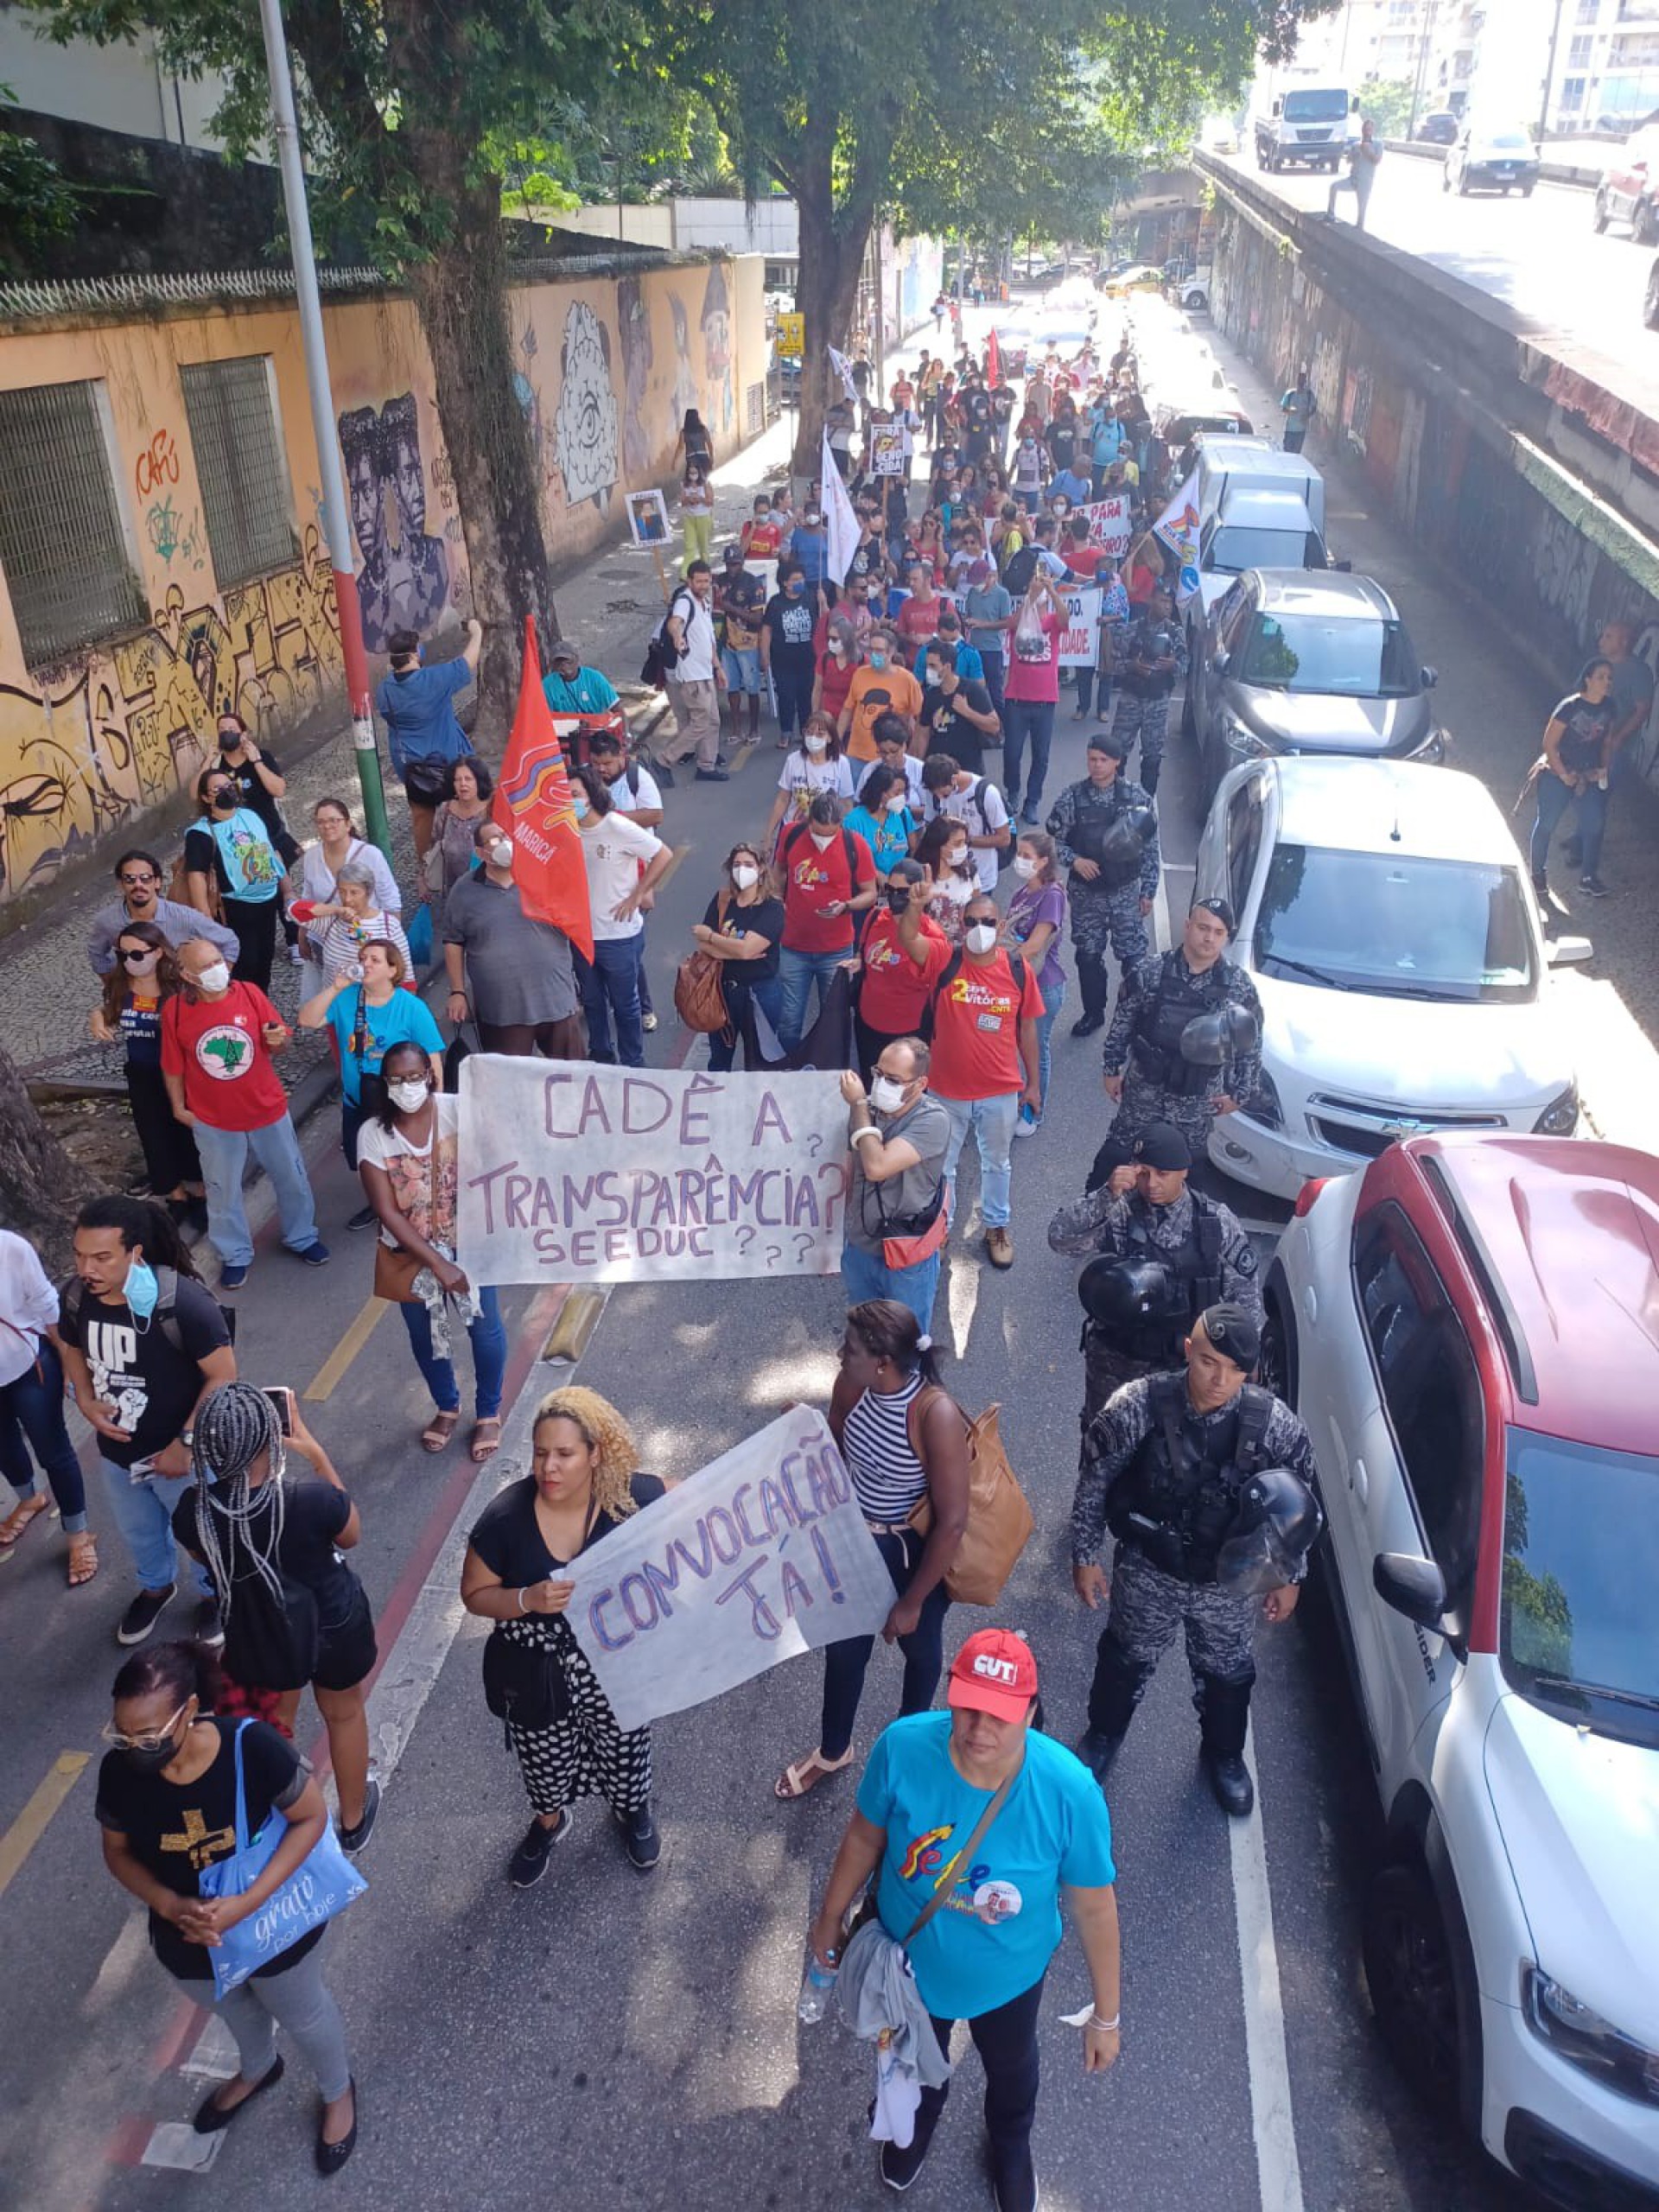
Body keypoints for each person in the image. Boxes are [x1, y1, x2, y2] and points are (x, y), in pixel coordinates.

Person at [807, 1628, 1121, 2209]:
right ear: (951, 1695)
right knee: (914, 2053)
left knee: (1011, 2065)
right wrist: (828, 1918)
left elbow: (1095, 1908)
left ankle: (1009, 2142)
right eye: (968, 1708)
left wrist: (1107, 2015)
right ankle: (918, 2118)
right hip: (909, 1963)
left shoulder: (1069, 1792)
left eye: (999, 1715)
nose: (980, 1729)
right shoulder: (902, 1747)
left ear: (1030, 1712)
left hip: (1009, 1979)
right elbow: (864, 1836)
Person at [95, 1640, 359, 2170]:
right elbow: (118, 1852)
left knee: (303, 2012)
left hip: (273, 1925)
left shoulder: (251, 1747)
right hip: (188, 1939)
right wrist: (168, 1904)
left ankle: (338, 2092)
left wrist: (246, 1904)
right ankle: (259, 2067)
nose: (133, 1748)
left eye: (148, 1735)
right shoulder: (120, 1772)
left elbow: (310, 1819)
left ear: (189, 1712)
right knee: (233, 2008)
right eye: (122, 1735)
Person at [1071, 1304, 1319, 1815]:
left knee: (1227, 1677)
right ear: (1189, 1349)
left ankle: (1225, 1756)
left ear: (1248, 1372)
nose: (1218, 1379)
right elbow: (1094, 1481)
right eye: (1208, 1362)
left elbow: (1300, 1504)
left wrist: (1290, 1576)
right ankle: (1103, 1736)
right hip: (1149, 1571)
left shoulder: (1274, 1425)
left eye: (1232, 1369)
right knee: (1124, 1659)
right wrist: (1085, 1554)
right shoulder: (1138, 1404)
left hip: (1228, 1582)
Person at [461, 1387, 666, 1886]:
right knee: (542, 1751)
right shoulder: (505, 1520)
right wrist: (524, 1600)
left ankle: (631, 1810)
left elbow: (704, 1501)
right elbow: (474, 1593)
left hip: (614, 1661)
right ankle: (549, 1820)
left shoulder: (626, 1497)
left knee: (625, 1743)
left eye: (564, 1454)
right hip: (535, 1670)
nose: (548, 1467)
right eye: (540, 1453)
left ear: (595, 1455)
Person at [173, 1382, 380, 1852]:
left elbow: (206, 1560)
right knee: (344, 1714)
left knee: (271, 1726)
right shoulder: (308, 1500)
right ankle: (352, 1820)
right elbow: (351, 1534)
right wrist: (315, 1452)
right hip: (333, 1625)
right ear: (272, 1437)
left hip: (259, 1630)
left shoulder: (195, 1512)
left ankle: (279, 1817)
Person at [775, 1302, 969, 1801]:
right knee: (844, 1654)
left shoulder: (934, 1415)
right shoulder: (850, 1386)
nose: (841, 1354)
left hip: (912, 1554)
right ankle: (834, 1749)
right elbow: (835, 1455)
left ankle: (911, 1750)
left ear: (883, 1362)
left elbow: (951, 1522)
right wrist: (808, 1430)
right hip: (856, 1542)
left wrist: (912, 1602)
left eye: (852, 1350)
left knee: (921, 1653)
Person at [56, 1196, 235, 1645]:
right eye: (79, 1255)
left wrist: (186, 1443)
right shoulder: (78, 1297)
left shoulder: (183, 1304)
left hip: (183, 1459)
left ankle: (216, 1595)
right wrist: (84, 1398)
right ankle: (156, 1587)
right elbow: (71, 1345)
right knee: (139, 1533)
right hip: (118, 1456)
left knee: (201, 1533)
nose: (87, 1268)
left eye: (101, 1257)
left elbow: (223, 1376)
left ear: (135, 1253)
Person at [1049, 1121, 1260, 1439]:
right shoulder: (1119, 1211)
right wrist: (1106, 1195)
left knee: (1173, 1455)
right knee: (1104, 1443)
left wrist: (1242, 1361)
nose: (1152, 1184)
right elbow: (1060, 1237)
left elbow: (1244, 1302)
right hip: (1118, 1362)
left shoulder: (1214, 1224)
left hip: (1183, 1369)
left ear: (1184, 1172)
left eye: (1163, 1174)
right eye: (1144, 1173)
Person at [358, 1040, 507, 1462]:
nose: (407, 1086)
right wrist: (438, 1263)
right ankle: (447, 1405)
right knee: (426, 1335)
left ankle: (490, 1411)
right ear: (385, 1084)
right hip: (411, 1257)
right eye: (396, 1080)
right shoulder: (372, 1135)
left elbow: (499, 1160)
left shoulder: (460, 1111)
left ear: (429, 1073)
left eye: (413, 1077)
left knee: (485, 1328)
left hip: (472, 1246)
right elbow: (387, 1211)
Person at [162, 939, 330, 1290]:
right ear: (187, 975)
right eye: (206, 966)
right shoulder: (175, 1012)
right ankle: (235, 1254)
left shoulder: (250, 993)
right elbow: (173, 1065)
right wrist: (178, 1107)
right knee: (222, 1190)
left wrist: (277, 1040)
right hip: (214, 1120)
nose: (217, 970)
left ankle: (302, 1236)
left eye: (218, 961)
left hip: (266, 1109)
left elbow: (281, 1040)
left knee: (291, 1177)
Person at [1098, 896, 1262, 1186]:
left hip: (1197, 1099)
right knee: (1117, 1159)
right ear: (1188, 926)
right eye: (1203, 927)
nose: (1209, 938)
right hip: (1145, 1090)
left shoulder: (1238, 986)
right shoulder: (1151, 971)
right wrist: (1111, 1068)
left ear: (1226, 937)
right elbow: (1123, 1020)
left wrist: (1241, 1093)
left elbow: (1249, 1043)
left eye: (1218, 932)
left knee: (1186, 1174)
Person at [930, 889, 1045, 1271]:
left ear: (1001, 925)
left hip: (1000, 1090)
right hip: (946, 1090)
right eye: (972, 922)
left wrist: (1033, 1084)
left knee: (997, 1164)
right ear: (961, 926)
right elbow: (912, 942)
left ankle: (996, 1227)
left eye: (989, 922)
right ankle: (940, 1229)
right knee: (942, 1166)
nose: (980, 929)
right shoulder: (945, 960)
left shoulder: (1016, 969)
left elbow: (1027, 1028)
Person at [298, 938, 442, 1224]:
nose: (365, 963)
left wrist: (434, 1104)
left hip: (400, 1102)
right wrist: (336, 987)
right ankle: (380, 1204)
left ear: (392, 969)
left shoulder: (412, 1008)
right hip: (358, 1100)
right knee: (363, 1160)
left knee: (403, 1159)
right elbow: (307, 1019)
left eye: (374, 960)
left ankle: (410, 1207)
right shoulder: (346, 998)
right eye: (363, 958)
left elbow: (433, 1061)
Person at [0, 1228, 97, 1589]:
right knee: (5, 1447)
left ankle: (78, 1534)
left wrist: (72, 1367)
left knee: (53, 1451)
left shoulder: (10, 1248)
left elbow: (48, 1310)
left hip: (29, 1366)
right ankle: (30, 1499)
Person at [1046, 735, 1160, 1038]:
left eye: (1103, 760)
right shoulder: (1073, 797)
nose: (1096, 766)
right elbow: (1053, 841)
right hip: (1087, 894)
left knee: (1134, 960)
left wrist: (1148, 891)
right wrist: (1076, 860)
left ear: (1117, 762)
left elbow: (1150, 848)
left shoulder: (1137, 798)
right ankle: (1093, 1012)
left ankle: (1136, 1019)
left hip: (1124, 890)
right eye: (1092, 759)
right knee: (1088, 957)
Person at [91, 923, 205, 1224]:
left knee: (187, 1131)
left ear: (157, 952)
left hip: (179, 1071)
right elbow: (109, 1011)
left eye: (137, 954)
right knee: (153, 1132)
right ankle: (174, 1193)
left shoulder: (177, 986)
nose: (129, 960)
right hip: (141, 1072)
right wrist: (97, 1017)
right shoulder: (120, 986)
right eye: (123, 954)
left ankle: (201, 1192)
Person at [443, 819, 584, 1058]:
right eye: (496, 839)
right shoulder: (464, 890)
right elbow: (453, 942)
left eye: (508, 836)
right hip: (501, 1010)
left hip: (556, 1000)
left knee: (571, 1078)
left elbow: (577, 920)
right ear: (480, 852)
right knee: (510, 1084)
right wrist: (458, 992)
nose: (505, 843)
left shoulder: (546, 876)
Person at [839, 1046, 951, 1326]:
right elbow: (849, 1170)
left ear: (921, 1084)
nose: (881, 1084)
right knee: (865, 1332)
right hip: (861, 1245)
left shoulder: (933, 1120)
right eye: (878, 1073)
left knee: (907, 1341)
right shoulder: (870, 1110)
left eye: (893, 1080)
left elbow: (877, 1167)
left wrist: (859, 1106)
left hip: (907, 1253)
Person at [571, 765, 673, 1066]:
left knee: (625, 1005)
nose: (570, 801)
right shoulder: (568, 831)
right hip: (582, 936)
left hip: (619, 936)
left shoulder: (617, 827)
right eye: (565, 795)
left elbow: (662, 854)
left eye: (575, 794)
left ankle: (633, 1063)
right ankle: (601, 1056)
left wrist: (637, 894)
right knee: (592, 1002)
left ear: (590, 795)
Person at [376, 619, 482, 861]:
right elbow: (468, 663)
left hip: (412, 769)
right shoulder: (433, 680)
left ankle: (425, 869)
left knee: (421, 818)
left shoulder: (384, 690)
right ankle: (465, 860)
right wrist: (476, 632)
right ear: (414, 654)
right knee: (463, 813)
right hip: (447, 766)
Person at [776, 796, 877, 1049]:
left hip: (836, 951)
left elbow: (870, 893)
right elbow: (778, 872)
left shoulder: (856, 846)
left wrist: (847, 907)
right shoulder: (791, 834)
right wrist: (776, 899)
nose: (824, 841)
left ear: (840, 825)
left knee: (834, 1019)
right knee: (788, 1018)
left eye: (830, 835)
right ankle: (787, 1067)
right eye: (818, 834)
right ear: (808, 822)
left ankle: (831, 1070)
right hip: (792, 947)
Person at [183, 766, 284, 994]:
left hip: (268, 900)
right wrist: (206, 917)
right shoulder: (201, 833)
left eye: (228, 785)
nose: (226, 791)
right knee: (244, 963)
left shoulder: (250, 815)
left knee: (264, 960)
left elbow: (271, 852)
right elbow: (196, 874)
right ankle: (241, 1007)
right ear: (205, 797)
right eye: (217, 789)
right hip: (236, 906)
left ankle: (261, 1005)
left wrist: (287, 890)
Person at [854, 860, 952, 1083]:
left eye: (902, 891)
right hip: (867, 1022)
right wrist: (859, 961)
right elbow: (864, 951)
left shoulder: (931, 935)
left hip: (907, 1031)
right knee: (871, 1085)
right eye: (889, 890)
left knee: (901, 1093)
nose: (894, 896)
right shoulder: (875, 918)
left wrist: (915, 908)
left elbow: (910, 942)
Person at [296, 798, 403, 1002]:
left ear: (348, 823)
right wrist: (302, 936)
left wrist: (391, 941)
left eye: (334, 820)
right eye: (321, 821)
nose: (327, 826)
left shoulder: (371, 855)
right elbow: (307, 899)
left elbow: (391, 900)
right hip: (327, 937)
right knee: (335, 992)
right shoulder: (311, 857)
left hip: (367, 937)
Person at [691, 842, 785, 1071]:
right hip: (723, 991)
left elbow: (745, 950)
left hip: (760, 994)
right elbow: (704, 945)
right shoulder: (723, 899)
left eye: (748, 864)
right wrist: (737, 948)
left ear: (762, 869)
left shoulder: (772, 908)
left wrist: (714, 937)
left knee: (759, 1060)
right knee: (719, 1059)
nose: (742, 870)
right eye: (737, 865)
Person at [1531, 657, 1617, 900]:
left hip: (1587, 775)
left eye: (1610, 678)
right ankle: (1537, 874)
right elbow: (1549, 743)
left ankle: (1588, 878)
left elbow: (1607, 742)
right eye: (1601, 677)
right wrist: (1563, 773)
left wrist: (1603, 768)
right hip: (1558, 771)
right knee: (1546, 824)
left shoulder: (1610, 707)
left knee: (1595, 823)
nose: (1606, 682)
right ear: (1588, 680)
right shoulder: (1569, 706)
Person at [1003, 830, 1067, 1133]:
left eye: (1027, 856)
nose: (1020, 860)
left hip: (1042, 985)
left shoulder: (1052, 895)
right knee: (1019, 1044)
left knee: (1036, 1049)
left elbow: (1034, 945)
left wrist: (997, 965)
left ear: (1043, 861)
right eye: (1019, 854)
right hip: (1019, 982)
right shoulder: (1023, 892)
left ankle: (1033, 1110)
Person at [89, 850, 238, 979]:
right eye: (130, 879)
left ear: (157, 882)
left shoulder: (184, 917)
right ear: (121, 885)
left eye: (146, 878)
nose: (138, 885)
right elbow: (97, 952)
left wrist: (216, 983)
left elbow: (229, 942)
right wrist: (111, 983)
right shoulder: (107, 922)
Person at [1001, 573, 1065, 825]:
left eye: (1042, 603)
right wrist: (1030, 596)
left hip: (1045, 701)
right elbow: (1011, 622)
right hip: (1016, 699)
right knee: (1011, 752)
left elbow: (1065, 618)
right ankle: (1013, 791)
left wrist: (1052, 591)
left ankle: (1032, 802)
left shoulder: (1052, 623)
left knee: (1041, 755)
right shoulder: (1021, 624)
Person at [1110, 585, 1185, 798]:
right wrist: (1132, 667)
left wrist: (1172, 665)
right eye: (1162, 601)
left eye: (1169, 603)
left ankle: (1146, 804)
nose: (1166, 607)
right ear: (1151, 601)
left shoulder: (1175, 633)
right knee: (1117, 753)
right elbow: (1112, 665)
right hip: (1131, 699)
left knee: (1152, 758)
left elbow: (1185, 666)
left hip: (1158, 702)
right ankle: (1113, 798)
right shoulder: (1132, 630)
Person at [657, 560, 727, 782]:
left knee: (713, 720)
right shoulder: (685, 601)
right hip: (692, 676)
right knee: (699, 723)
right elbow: (674, 623)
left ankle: (706, 765)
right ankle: (664, 760)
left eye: (707, 580)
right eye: (699, 581)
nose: (704, 585)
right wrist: (677, 636)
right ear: (690, 581)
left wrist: (718, 668)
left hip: (706, 673)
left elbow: (709, 640)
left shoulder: (704, 603)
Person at [297, 858, 411, 988]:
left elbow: (406, 976)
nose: (347, 899)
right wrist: (335, 909)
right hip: (335, 1002)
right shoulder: (331, 921)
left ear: (368, 893)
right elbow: (294, 911)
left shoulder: (389, 926)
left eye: (354, 892)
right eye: (342, 892)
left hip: (374, 1002)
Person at [921, 751, 1012, 891]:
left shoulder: (986, 793)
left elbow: (1004, 839)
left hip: (982, 877)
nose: (939, 798)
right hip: (947, 878)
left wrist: (964, 841)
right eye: (935, 794)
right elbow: (929, 825)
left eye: (943, 793)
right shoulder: (934, 791)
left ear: (953, 779)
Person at [841, 625, 924, 765]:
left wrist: (912, 751)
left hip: (890, 758)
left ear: (891, 652)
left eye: (879, 650)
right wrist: (837, 740)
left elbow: (920, 719)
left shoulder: (907, 680)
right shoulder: (860, 674)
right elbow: (848, 709)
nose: (874, 654)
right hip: (857, 754)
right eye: (871, 650)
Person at [760, 560, 820, 751]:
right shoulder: (776, 603)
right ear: (785, 582)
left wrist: (824, 601)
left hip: (807, 660)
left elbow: (823, 623)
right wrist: (764, 655)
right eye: (795, 579)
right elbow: (767, 630)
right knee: (786, 697)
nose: (799, 582)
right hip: (783, 661)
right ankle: (786, 733)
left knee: (806, 698)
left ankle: (806, 732)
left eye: (801, 578)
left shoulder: (811, 598)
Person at [920, 639, 1000, 781]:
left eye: (933, 666)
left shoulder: (972, 690)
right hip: (938, 773)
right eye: (927, 666)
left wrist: (967, 712)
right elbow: (922, 736)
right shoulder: (931, 695)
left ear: (947, 667)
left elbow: (994, 726)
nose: (928, 671)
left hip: (968, 772)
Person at [425, 758, 493, 922]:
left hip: (487, 894)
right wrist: (423, 878)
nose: (463, 784)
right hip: (452, 894)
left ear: (479, 781)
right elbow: (434, 845)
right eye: (458, 779)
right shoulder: (445, 810)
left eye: (468, 779)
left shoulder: (493, 810)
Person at [715, 550, 767, 745]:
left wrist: (732, 609)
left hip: (748, 643)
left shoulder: (753, 583)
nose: (732, 568)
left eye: (735, 563)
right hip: (727, 643)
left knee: (752, 687)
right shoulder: (719, 581)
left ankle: (754, 729)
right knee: (732, 687)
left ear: (742, 562)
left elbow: (758, 618)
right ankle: (736, 729)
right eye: (729, 564)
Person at [843, 763, 918, 883]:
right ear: (880, 792)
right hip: (866, 886)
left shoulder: (903, 814)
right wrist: (877, 875)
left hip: (899, 886)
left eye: (903, 792)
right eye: (896, 793)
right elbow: (849, 860)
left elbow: (913, 850)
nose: (901, 797)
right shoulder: (853, 821)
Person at [962, 559, 1014, 723]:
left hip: (992, 648)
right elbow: (968, 614)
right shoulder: (972, 593)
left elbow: (1007, 622)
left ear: (989, 577)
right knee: (974, 690)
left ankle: (1003, 725)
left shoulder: (1001, 594)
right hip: (973, 648)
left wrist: (982, 624)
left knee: (995, 691)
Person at [856, 715, 927, 814]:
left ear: (904, 746)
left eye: (893, 751)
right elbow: (859, 804)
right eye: (883, 752)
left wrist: (904, 810)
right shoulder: (870, 769)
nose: (888, 757)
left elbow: (929, 810)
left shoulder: (920, 769)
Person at [541, 639, 621, 721]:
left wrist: (622, 731)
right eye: (559, 662)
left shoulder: (595, 678)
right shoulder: (547, 685)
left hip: (594, 728)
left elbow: (616, 708)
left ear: (577, 660)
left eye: (568, 661)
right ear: (553, 665)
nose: (564, 666)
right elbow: (543, 716)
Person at [1326, 118, 1382, 229]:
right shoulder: (1356, 145)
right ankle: (1330, 215)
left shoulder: (1378, 144)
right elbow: (1348, 160)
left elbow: (1377, 161)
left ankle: (1359, 228)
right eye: (1365, 129)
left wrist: (1368, 150)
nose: (1367, 132)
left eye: (1369, 129)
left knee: (1362, 210)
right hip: (1353, 179)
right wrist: (1354, 154)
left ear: (1373, 130)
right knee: (1334, 187)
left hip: (1365, 182)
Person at [812, 611, 862, 729]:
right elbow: (817, 689)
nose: (830, 643)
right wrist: (815, 716)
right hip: (828, 719)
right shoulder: (824, 659)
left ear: (846, 639)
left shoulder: (861, 661)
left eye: (835, 639)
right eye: (829, 638)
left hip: (853, 721)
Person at [679, 457, 714, 564]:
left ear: (699, 472)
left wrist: (701, 499)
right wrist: (689, 499)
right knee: (689, 546)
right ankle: (685, 573)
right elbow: (682, 502)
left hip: (703, 517)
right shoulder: (684, 484)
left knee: (703, 546)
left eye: (695, 472)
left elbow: (710, 502)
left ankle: (706, 567)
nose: (693, 475)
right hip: (689, 518)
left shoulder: (705, 484)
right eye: (690, 473)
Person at [1280, 366, 1317, 454]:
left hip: (1301, 430)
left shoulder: (1309, 394)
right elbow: (1283, 408)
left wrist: (1308, 415)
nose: (1301, 383)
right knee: (1287, 452)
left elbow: (1314, 408)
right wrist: (1289, 411)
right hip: (1290, 429)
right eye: (1300, 380)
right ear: (1297, 381)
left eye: (1303, 380)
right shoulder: (1290, 394)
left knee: (1296, 453)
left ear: (1305, 382)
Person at [671, 406, 713, 475]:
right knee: (704, 480)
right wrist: (711, 458)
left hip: (691, 460)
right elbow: (709, 444)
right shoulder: (703, 429)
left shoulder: (684, 432)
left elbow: (680, 448)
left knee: (692, 479)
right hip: (703, 458)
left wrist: (675, 461)